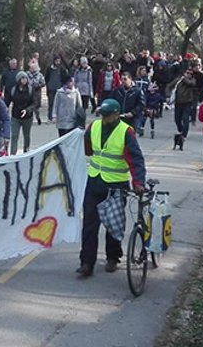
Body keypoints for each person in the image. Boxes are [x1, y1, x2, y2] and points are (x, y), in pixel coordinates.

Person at [77, 99, 146, 277]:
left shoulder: (126, 132)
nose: (104, 118)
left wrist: (138, 182)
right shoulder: (94, 127)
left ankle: (113, 258)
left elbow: (136, 159)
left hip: (116, 185)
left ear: (116, 114)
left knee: (112, 224)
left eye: (107, 115)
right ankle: (86, 262)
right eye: (102, 114)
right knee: (89, 225)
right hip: (94, 182)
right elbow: (87, 149)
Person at [6, 71, 37, 155]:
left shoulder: (30, 89)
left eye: (25, 78)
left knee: (26, 136)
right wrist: (6, 107)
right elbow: (7, 101)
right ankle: (13, 154)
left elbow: (34, 103)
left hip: (27, 117)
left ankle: (26, 152)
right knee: (14, 136)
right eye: (22, 78)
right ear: (18, 80)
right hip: (16, 116)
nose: (24, 80)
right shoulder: (13, 90)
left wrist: (27, 110)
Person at [166, 68, 199, 140]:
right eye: (187, 73)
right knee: (177, 119)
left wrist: (184, 78)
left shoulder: (192, 80)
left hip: (187, 103)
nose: (189, 75)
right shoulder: (178, 80)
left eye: (191, 74)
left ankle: (184, 134)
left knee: (185, 118)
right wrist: (168, 96)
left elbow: (190, 84)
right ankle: (180, 129)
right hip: (178, 102)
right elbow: (169, 86)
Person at [44, 56, 69, 122]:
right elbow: (46, 78)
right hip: (51, 88)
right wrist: (48, 85)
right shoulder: (49, 68)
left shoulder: (61, 69)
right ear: (54, 61)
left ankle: (58, 117)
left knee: (59, 104)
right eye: (57, 61)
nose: (58, 62)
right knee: (51, 103)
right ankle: (50, 117)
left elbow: (65, 78)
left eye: (59, 61)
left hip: (59, 89)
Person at [26, 61, 46, 125]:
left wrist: (38, 85)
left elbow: (43, 83)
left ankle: (38, 117)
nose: (31, 69)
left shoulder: (39, 75)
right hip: (29, 92)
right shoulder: (27, 74)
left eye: (32, 68)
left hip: (37, 92)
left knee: (36, 107)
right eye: (30, 67)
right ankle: (29, 119)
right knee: (29, 106)